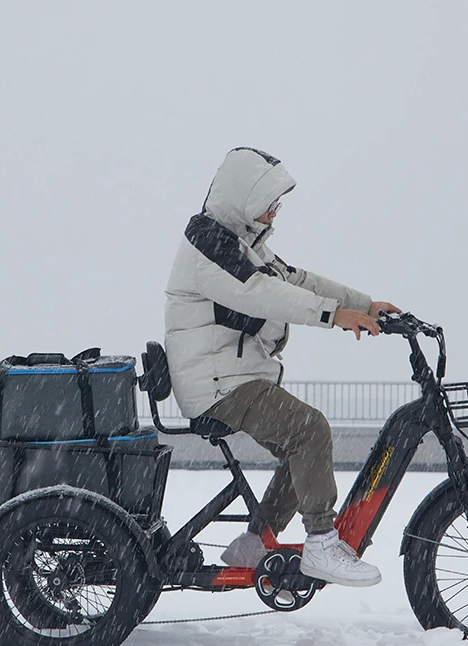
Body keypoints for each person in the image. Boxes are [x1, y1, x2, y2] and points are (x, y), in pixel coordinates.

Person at [164, 147, 401, 587]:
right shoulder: (209, 246)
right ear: (245, 199)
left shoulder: (238, 245)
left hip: (229, 379)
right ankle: (322, 543)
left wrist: (364, 304)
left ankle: (255, 543)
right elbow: (260, 293)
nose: (275, 213)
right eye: (269, 203)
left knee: (302, 447)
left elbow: (295, 280)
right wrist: (333, 315)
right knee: (309, 431)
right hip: (217, 385)